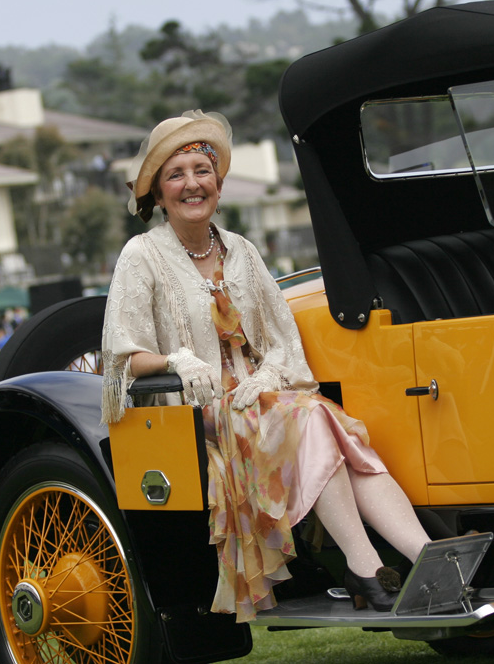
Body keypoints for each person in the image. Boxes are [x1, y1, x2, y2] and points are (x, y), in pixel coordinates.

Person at [101, 111, 432, 623]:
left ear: (218, 182)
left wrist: (266, 374)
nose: (193, 184)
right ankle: (368, 566)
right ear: (158, 194)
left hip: (263, 402)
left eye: (202, 170)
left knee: (333, 428)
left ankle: (427, 559)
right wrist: (176, 359)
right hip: (198, 416)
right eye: (176, 174)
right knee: (318, 419)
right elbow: (123, 358)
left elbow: (282, 340)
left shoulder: (243, 251)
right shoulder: (141, 255)